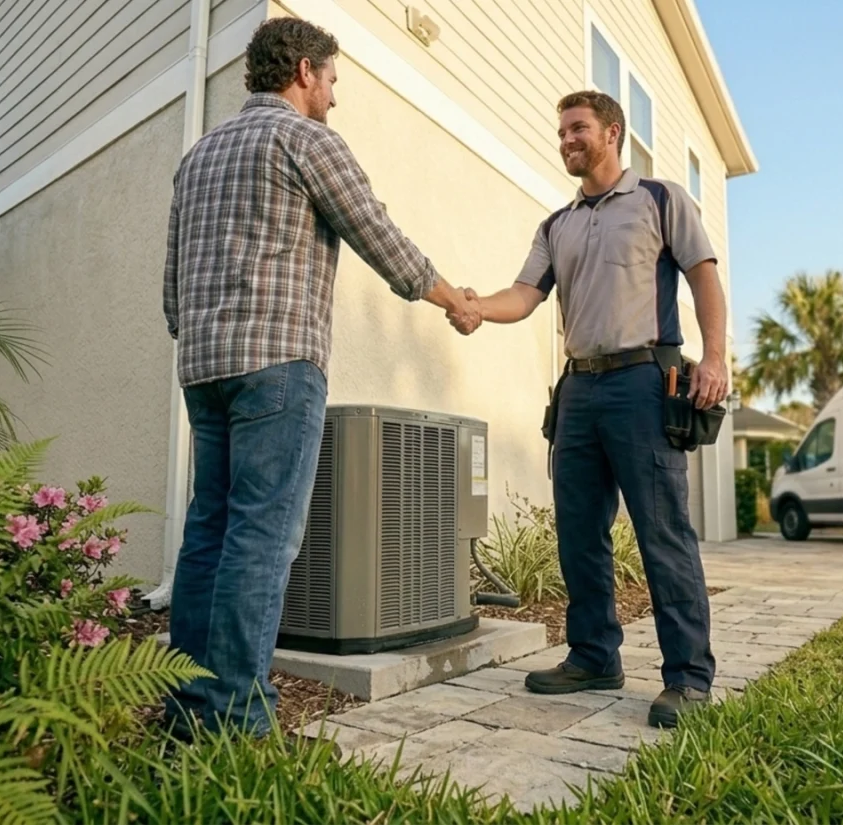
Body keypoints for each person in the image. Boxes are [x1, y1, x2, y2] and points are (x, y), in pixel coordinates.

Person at [162, 17, 481, 741]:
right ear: (305, 71)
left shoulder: (198, 154)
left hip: (205, 370)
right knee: (261, 535)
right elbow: (379, 237)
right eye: (333, 80)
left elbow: (173, 286)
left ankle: (185, 703)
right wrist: (451, 297)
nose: (335, 96)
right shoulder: (304, 140)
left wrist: (198, 341)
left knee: (207, 531)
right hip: (278, 364)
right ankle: (236, 714)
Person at [450, 90, 728, 729]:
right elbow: (523, 296)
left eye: (578, 128)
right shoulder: (557, 224)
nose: (567, 139)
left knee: (663, 533)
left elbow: (704, 275)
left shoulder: (659, 199)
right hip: (577, 390)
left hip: (643, 382)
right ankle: (594, 655)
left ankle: (688, 677)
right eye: (562, 131)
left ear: (612, 132)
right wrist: (472, 306)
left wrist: (713, 358)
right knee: (578, 532)